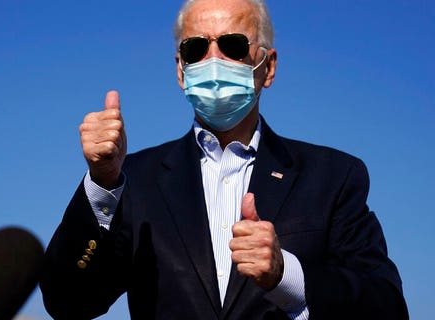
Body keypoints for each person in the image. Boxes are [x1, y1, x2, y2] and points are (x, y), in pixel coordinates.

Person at [40, 0, 408, 319]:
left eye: (233, 46)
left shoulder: (333, 177)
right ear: (180, 71)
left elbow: (387, 307)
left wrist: (286, 275)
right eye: (195, 48)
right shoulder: (135, 180)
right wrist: (102, 183)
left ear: (269, 66)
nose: (213, 60)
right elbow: (68, 302)